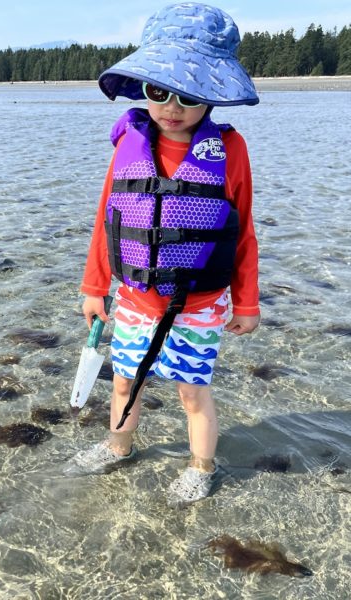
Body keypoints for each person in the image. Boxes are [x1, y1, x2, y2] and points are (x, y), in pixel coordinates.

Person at [65, 2, 261, 506]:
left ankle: (201, 466)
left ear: (212, 96)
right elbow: (109, 221)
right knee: (125, 383)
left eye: (188, 95)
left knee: (192, 394)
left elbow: (242, 232)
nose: (172, 107)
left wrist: (247, 302)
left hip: (199, 305)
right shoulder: (128, 146)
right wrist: (93, 287)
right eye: (159, 91)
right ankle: (119, 446)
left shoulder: (230, 152)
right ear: (143, 89)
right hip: (133, 300)